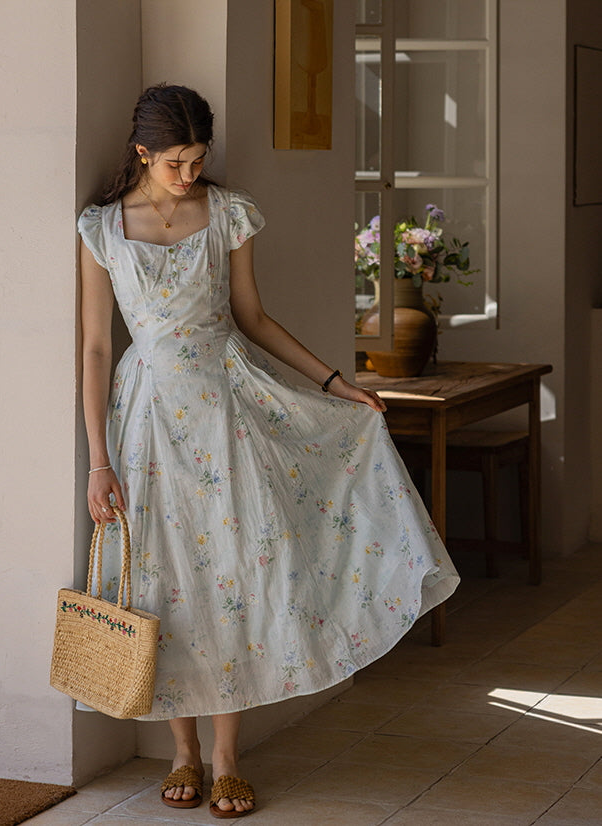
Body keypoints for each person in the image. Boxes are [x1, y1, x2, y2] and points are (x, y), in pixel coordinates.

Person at [79, 83, 459, 818]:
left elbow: (251, 316)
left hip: (228, 405)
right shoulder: (100, 229)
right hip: (146, 419)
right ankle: (180, 751)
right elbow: (98, 348)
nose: (189, 175)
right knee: (160, 574)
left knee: (234, 570)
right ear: (143, 153)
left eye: (197, 160)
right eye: (176, 163)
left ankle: (225, 757)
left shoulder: (227, 212)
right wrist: (98, 456)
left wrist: (336, 383)